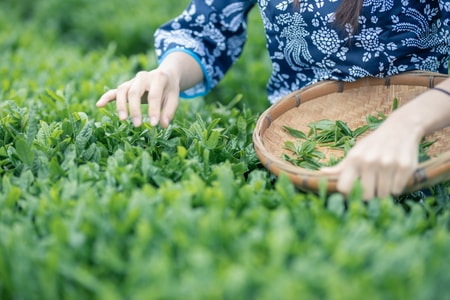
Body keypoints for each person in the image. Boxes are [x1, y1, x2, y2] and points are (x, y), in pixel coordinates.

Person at [97, 0, 450, 199]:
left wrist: (406, 124)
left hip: (429, 142)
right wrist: (168, 73)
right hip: (299, 149)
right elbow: (206, 28)